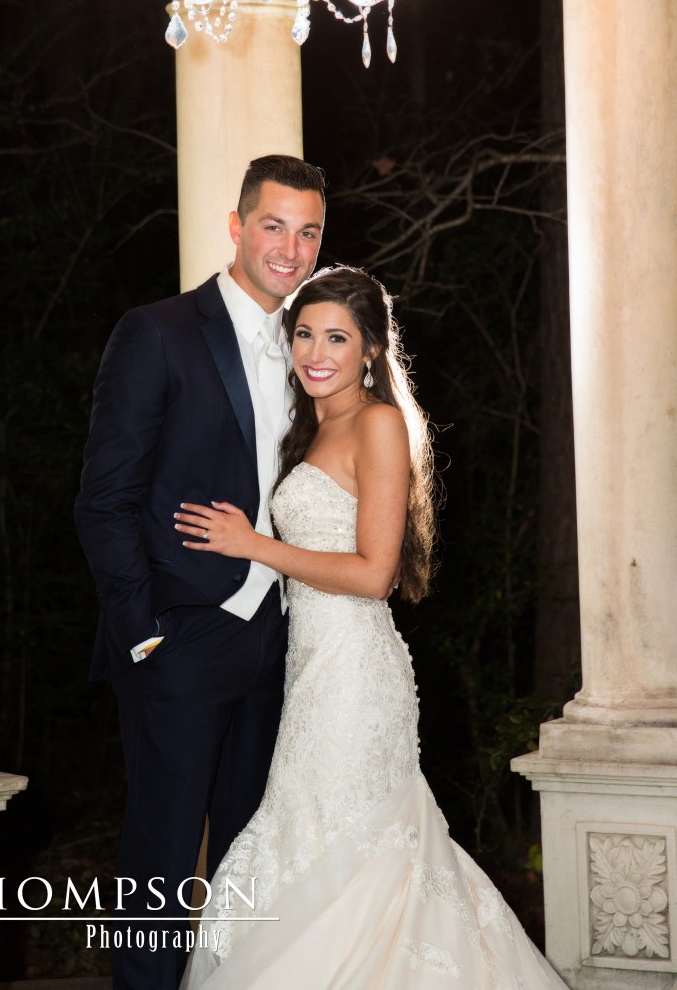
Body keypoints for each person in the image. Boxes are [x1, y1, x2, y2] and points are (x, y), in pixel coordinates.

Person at [174, 266, 569, 989]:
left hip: (354, 672)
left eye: (337, 338)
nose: (316, 352)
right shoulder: (311, 425)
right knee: (316, 839)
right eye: (304, 334)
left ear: (372, 351)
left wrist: (252, 545)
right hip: (311, 665)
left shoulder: (378, 423)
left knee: (351, 845)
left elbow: (374, 574)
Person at [74, 155, 326, 990]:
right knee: (161, 858)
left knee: (248, 862)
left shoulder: (314, 347)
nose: (290, 248)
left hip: (277, 640)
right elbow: (104, 499)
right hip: (178, 640)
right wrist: (144, 634)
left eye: (308, 232)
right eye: (273, 225)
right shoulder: (158, 332)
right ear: (236, 227)